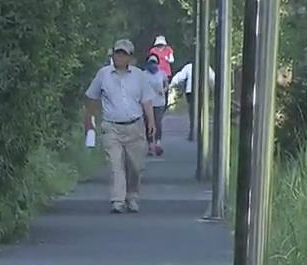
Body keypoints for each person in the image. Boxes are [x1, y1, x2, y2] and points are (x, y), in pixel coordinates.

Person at [84, 39, 157, 214]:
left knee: (135, 166)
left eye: (123, 54)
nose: (119, 57)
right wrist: (89, 121)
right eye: (117, 53)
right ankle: (117, 200)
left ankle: (132, 196)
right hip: (112, 127)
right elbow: (92, 98)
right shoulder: (103, 74)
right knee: (116, 165)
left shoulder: (139, 76)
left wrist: (151, 122)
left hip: (135, 126)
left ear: (130, 58)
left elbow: (146, 101)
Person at [170, 61, 215, 141]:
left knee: (192, 111)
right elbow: (212, 78)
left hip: (190, 91)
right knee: (201, 110)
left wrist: (172, 84)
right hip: (202, 91)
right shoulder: (206, 66)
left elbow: (180, 76)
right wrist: (213, 88)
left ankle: (193, 131)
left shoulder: (189, 66)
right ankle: (200, 130)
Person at [143, 53, 169, 156]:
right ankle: (150, 144)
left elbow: (167, 85)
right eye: (151, 62)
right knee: (148, 123)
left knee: (158, 123)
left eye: (154, 62)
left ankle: (158, 143)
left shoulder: (162, 74)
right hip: (147, 102)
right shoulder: (144, 74)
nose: (153, 65)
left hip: (159, 102)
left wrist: (163, 90)